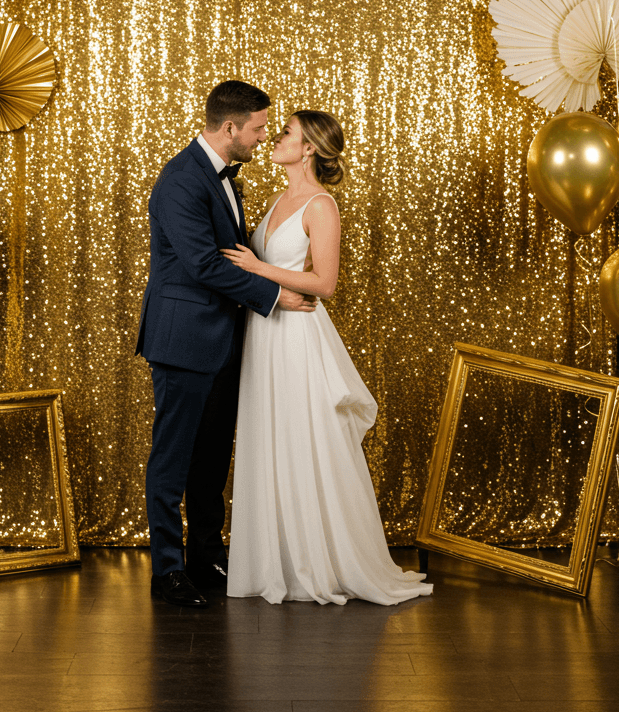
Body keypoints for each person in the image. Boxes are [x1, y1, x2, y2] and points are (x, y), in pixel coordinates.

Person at [222, 110, 433, 606]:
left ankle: (321, 560)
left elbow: (326, 283)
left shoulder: (321, 205)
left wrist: (258, 267)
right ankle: (275, 560)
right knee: (270, 433)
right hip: (266, 330)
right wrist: (257, 275)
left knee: (303, 435)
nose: (276, 138)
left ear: (310, 147)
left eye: (287, 132)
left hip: (296, 334)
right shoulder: (277, 198)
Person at [136, 81, 318, 608]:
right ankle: (167, 571)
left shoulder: (223, 178)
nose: (265, 137)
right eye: (260, 128)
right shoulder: (180, 180)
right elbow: (204, 265)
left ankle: (205, 555)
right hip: (182, 340)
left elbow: (234, 252)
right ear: (230, 127)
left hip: (222, 339)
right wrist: (275, 296)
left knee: (212, 456)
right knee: (173, 457)